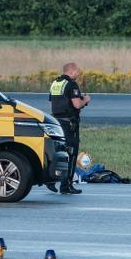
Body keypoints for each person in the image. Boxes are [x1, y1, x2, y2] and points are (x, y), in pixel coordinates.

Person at [47, 62, 91, 194]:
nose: (79, 73)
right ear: (72, 71)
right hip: (69, 124)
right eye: (77, 71)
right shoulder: (72, 84)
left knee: (57, 153)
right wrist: (86, 100)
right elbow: (77, 104)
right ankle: (66, 186)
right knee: (71, 154)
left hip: (56, 122)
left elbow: (53, 102)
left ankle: (51, 181)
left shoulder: (55, 83)